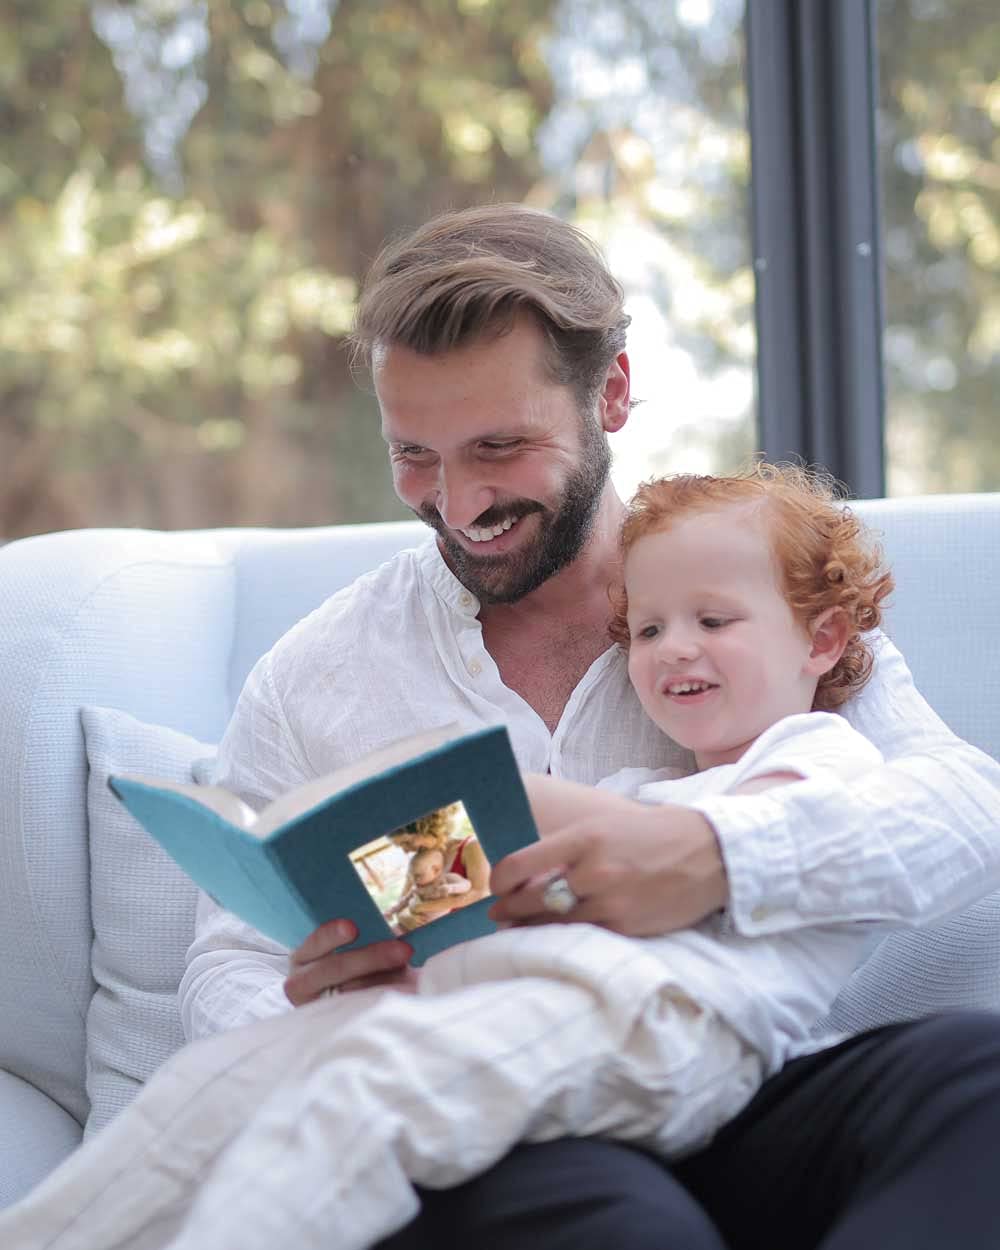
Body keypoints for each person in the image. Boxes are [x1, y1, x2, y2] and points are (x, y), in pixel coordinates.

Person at [176, 204, 1000, 1248]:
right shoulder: (318, 676)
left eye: (500, 446)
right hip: (503, 1107)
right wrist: (335, 1012)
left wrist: (712, 855)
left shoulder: (741, 598)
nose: (458, 502)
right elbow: (229, 961)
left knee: (979, 1077)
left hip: (737, 1079)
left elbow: (968, 807)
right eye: (415, 455)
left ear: (609, 393)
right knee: (614, 1216)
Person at [0, 465, 899, 1250]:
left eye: (712, 619)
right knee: (215, 1085)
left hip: (659, 1035)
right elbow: (518, 859)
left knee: (355, 1104)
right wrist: (329, 897)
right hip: (530, 1013)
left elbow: (577, 830)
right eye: (650, 630)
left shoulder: (824, 760)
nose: (675, 650)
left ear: (821, 639)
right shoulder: (646, 781)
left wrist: (474, 810)